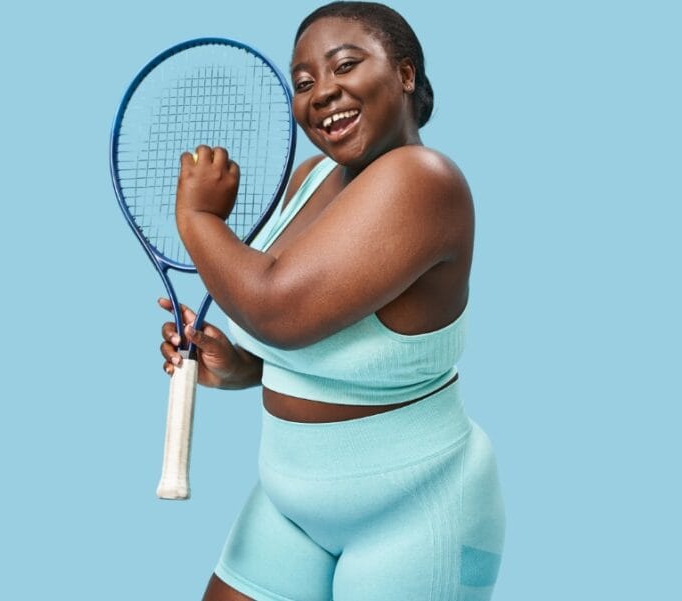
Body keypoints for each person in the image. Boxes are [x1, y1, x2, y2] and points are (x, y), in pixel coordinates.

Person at [159, 3, 505, 599]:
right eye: (303, 83)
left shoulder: (423, 179)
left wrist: (196, 217)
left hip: (414, 512)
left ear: (405, 74)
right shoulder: (313, 178)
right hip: (288, 503)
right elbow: (322, 339)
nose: (322, 93)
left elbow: (277, 310)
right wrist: (244, 369)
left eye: (345, 64)